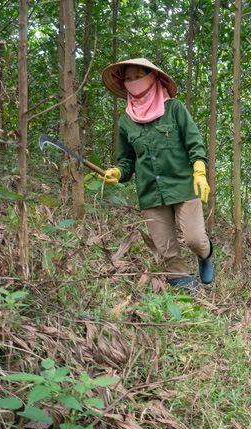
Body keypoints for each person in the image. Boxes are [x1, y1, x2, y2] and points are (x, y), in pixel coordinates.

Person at [99, 58, 214, 292]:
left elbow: (195, 143)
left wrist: (199, 171)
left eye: (138, 77)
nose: (133, 83)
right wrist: (118, 172)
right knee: (167, 250)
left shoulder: (175, 109)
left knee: (195, 239)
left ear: (153, 79)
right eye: (128, 79)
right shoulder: (125, 121)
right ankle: (187, 296)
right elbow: (127, 160)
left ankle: (205, 255)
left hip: (183, 186)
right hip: (150, 193)